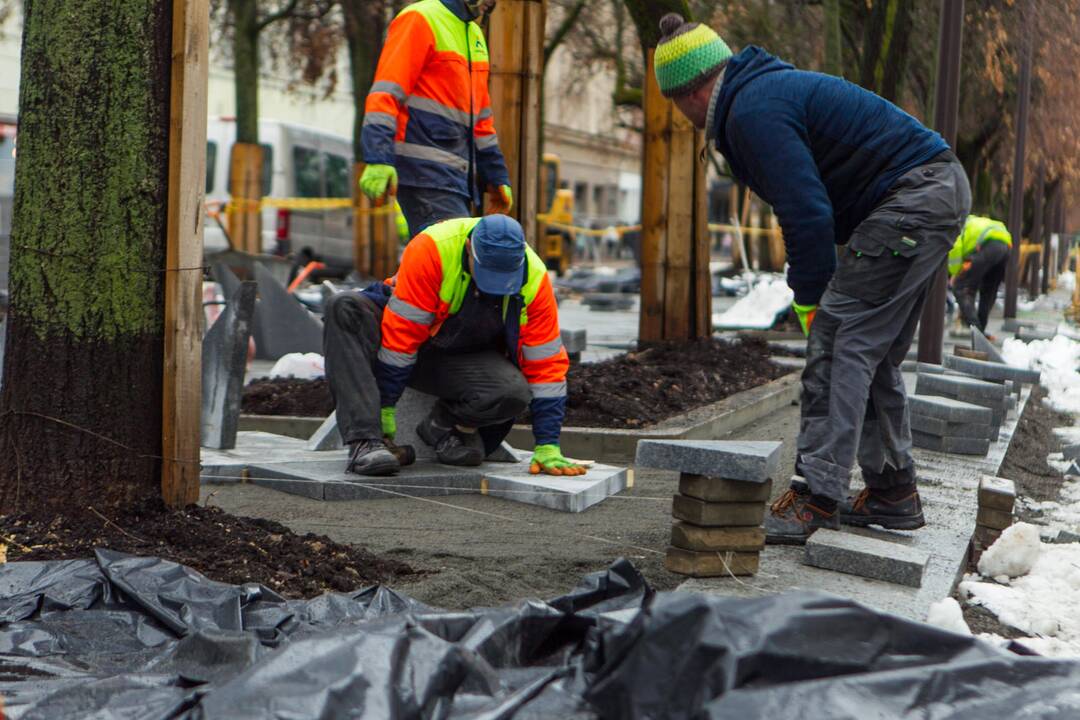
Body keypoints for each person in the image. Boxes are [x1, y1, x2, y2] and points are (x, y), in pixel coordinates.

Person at [655, 14, 971, 543]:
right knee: (866, 350)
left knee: (840, 339)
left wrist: (810, 300)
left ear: (687, 95)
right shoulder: (759, 95)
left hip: (913, 197)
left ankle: (815, 497)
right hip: (929, 192)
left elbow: (806, 213)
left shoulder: (751, 111)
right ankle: (893, 492)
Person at [323, 214, 587, 478]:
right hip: (399, 338)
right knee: (345, 307)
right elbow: (400, 339)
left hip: (457, 356)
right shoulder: (432, 248)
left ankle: (444, 429)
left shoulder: (534, 279)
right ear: (470, 248)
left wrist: (548, 444)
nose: (495, 287)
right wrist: (386, 408)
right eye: (487, 275)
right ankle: (366, 442)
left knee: (511, 392)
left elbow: (546, 365)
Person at [359, 0, 513, 235]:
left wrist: (495, 174)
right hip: (424, 172)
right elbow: (386, 93)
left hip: (454, 177)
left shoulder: (473, 34)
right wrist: (378, 157)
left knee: (446, 261)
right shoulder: (420, 19)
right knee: (449, 258)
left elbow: (481, 120)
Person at [949, 215, 1012, 334]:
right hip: (1005, 247)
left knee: (961, 287)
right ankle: (981, 329)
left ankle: (975, 328)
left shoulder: (960, 226)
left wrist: (955, 273)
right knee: (988, 291)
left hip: (987, 245)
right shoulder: (977, 222)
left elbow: (955, 248)